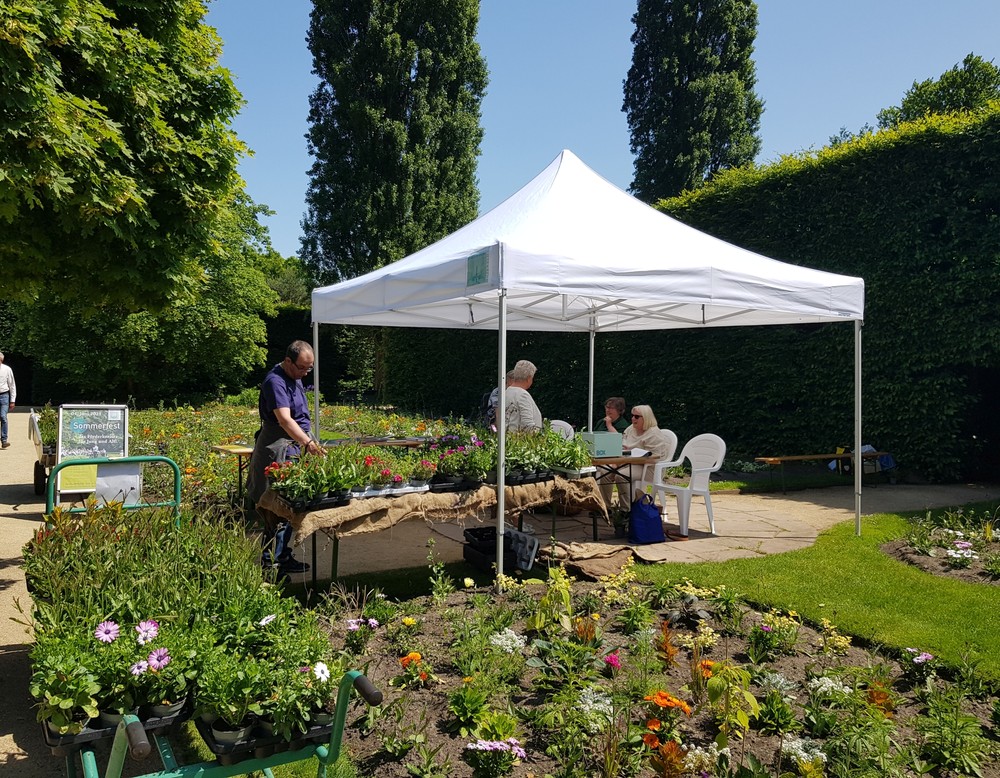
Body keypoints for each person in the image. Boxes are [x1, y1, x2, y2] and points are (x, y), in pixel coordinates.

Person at [246, 340, 324, 573]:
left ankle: (283, 556)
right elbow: (285, 420)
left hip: (293, 447)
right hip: (278, 448)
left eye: (309, 368)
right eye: (302, 367)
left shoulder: (295, 376)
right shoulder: (275, 381)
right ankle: (270, 564)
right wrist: (307, 442)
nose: (305, 373)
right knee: (276, 507)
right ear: (288, 361)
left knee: (292, 506)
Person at [599, 404, 674, 511]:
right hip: (628, 462)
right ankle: (605, 508)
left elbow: (653, 458)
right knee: (604, 471)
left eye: (637, 416)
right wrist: (619, 460)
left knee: (621, 475)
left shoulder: (653, 434)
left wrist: (622, 462)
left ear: (646, 418)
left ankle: (626, 510)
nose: (633, 419)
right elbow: (622, 445)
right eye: (632, 415)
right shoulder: (631, 429)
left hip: (649, 467)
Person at [504, 360, 542, 432]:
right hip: (521, 438)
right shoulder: (523, 395)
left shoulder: (506, 392)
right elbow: (527, 424)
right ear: (529, 378)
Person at [0, 352, 14, 450]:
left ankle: (4, 440)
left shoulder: (7, 369)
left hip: (4, 395)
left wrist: (12, 400)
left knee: (3, 417)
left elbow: (12, 385)